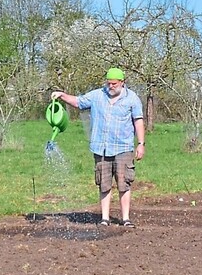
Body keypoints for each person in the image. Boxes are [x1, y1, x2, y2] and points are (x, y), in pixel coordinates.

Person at [51, 67, 146, 227]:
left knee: (124, 183)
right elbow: (79, 102)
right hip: (100, 147)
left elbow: (138, 120)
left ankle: (125, 218)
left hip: (123, 147)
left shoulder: (132, 99)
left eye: (114, 84)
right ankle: (104, 218)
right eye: (108, 83)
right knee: (104, 183)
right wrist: (62, 95)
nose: (111, 86)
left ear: (122, 82)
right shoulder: (97, 95)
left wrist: (141, 144)